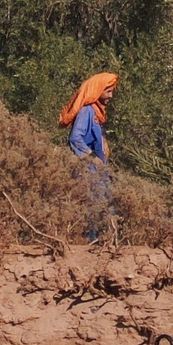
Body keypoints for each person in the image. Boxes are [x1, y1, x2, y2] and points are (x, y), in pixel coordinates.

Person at [60, 72, 117, 239]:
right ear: (97, 90)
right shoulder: (86, 111)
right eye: (108, 91)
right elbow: (75, 138)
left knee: (104, 208)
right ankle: (90, 245)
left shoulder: (95, 112)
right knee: (94, 209)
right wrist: (92, 157)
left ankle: (104, 242)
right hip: (88, 172)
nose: (111, 96)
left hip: (97, 172)